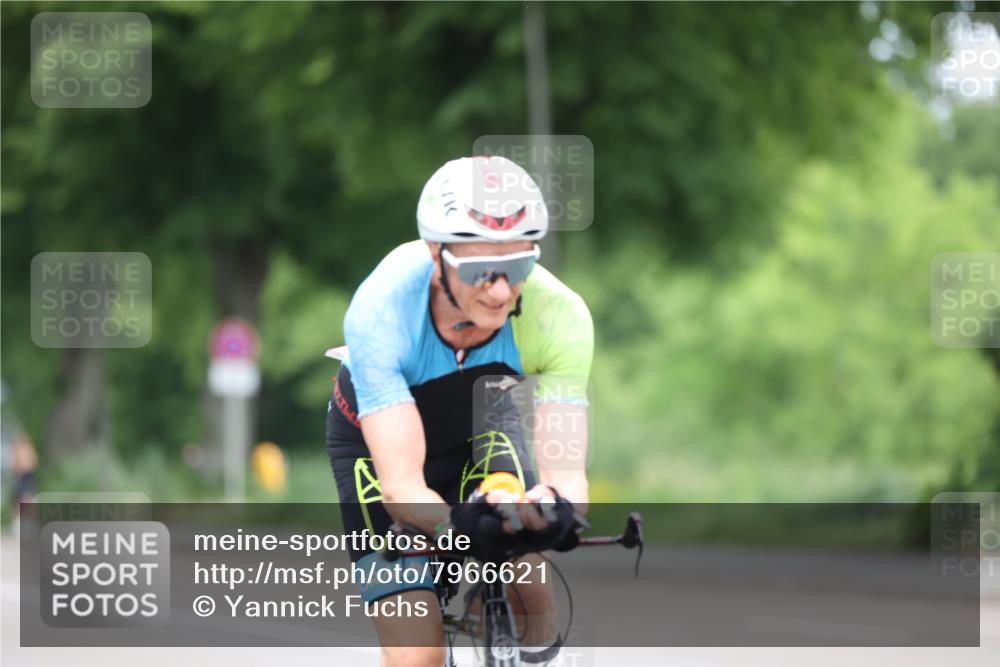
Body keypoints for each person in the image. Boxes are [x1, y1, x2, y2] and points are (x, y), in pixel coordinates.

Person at [326, 155, 593, 667]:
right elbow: (402, 486)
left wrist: (552, 513)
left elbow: (566, 476)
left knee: (531, 583)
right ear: (436, 254)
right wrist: (456, 530)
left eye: (518, 267)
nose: (499, 290)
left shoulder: (560, 316)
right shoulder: (381, 311)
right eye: (479, 271)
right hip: (376, 447)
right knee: (417, 656)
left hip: (483, 422)